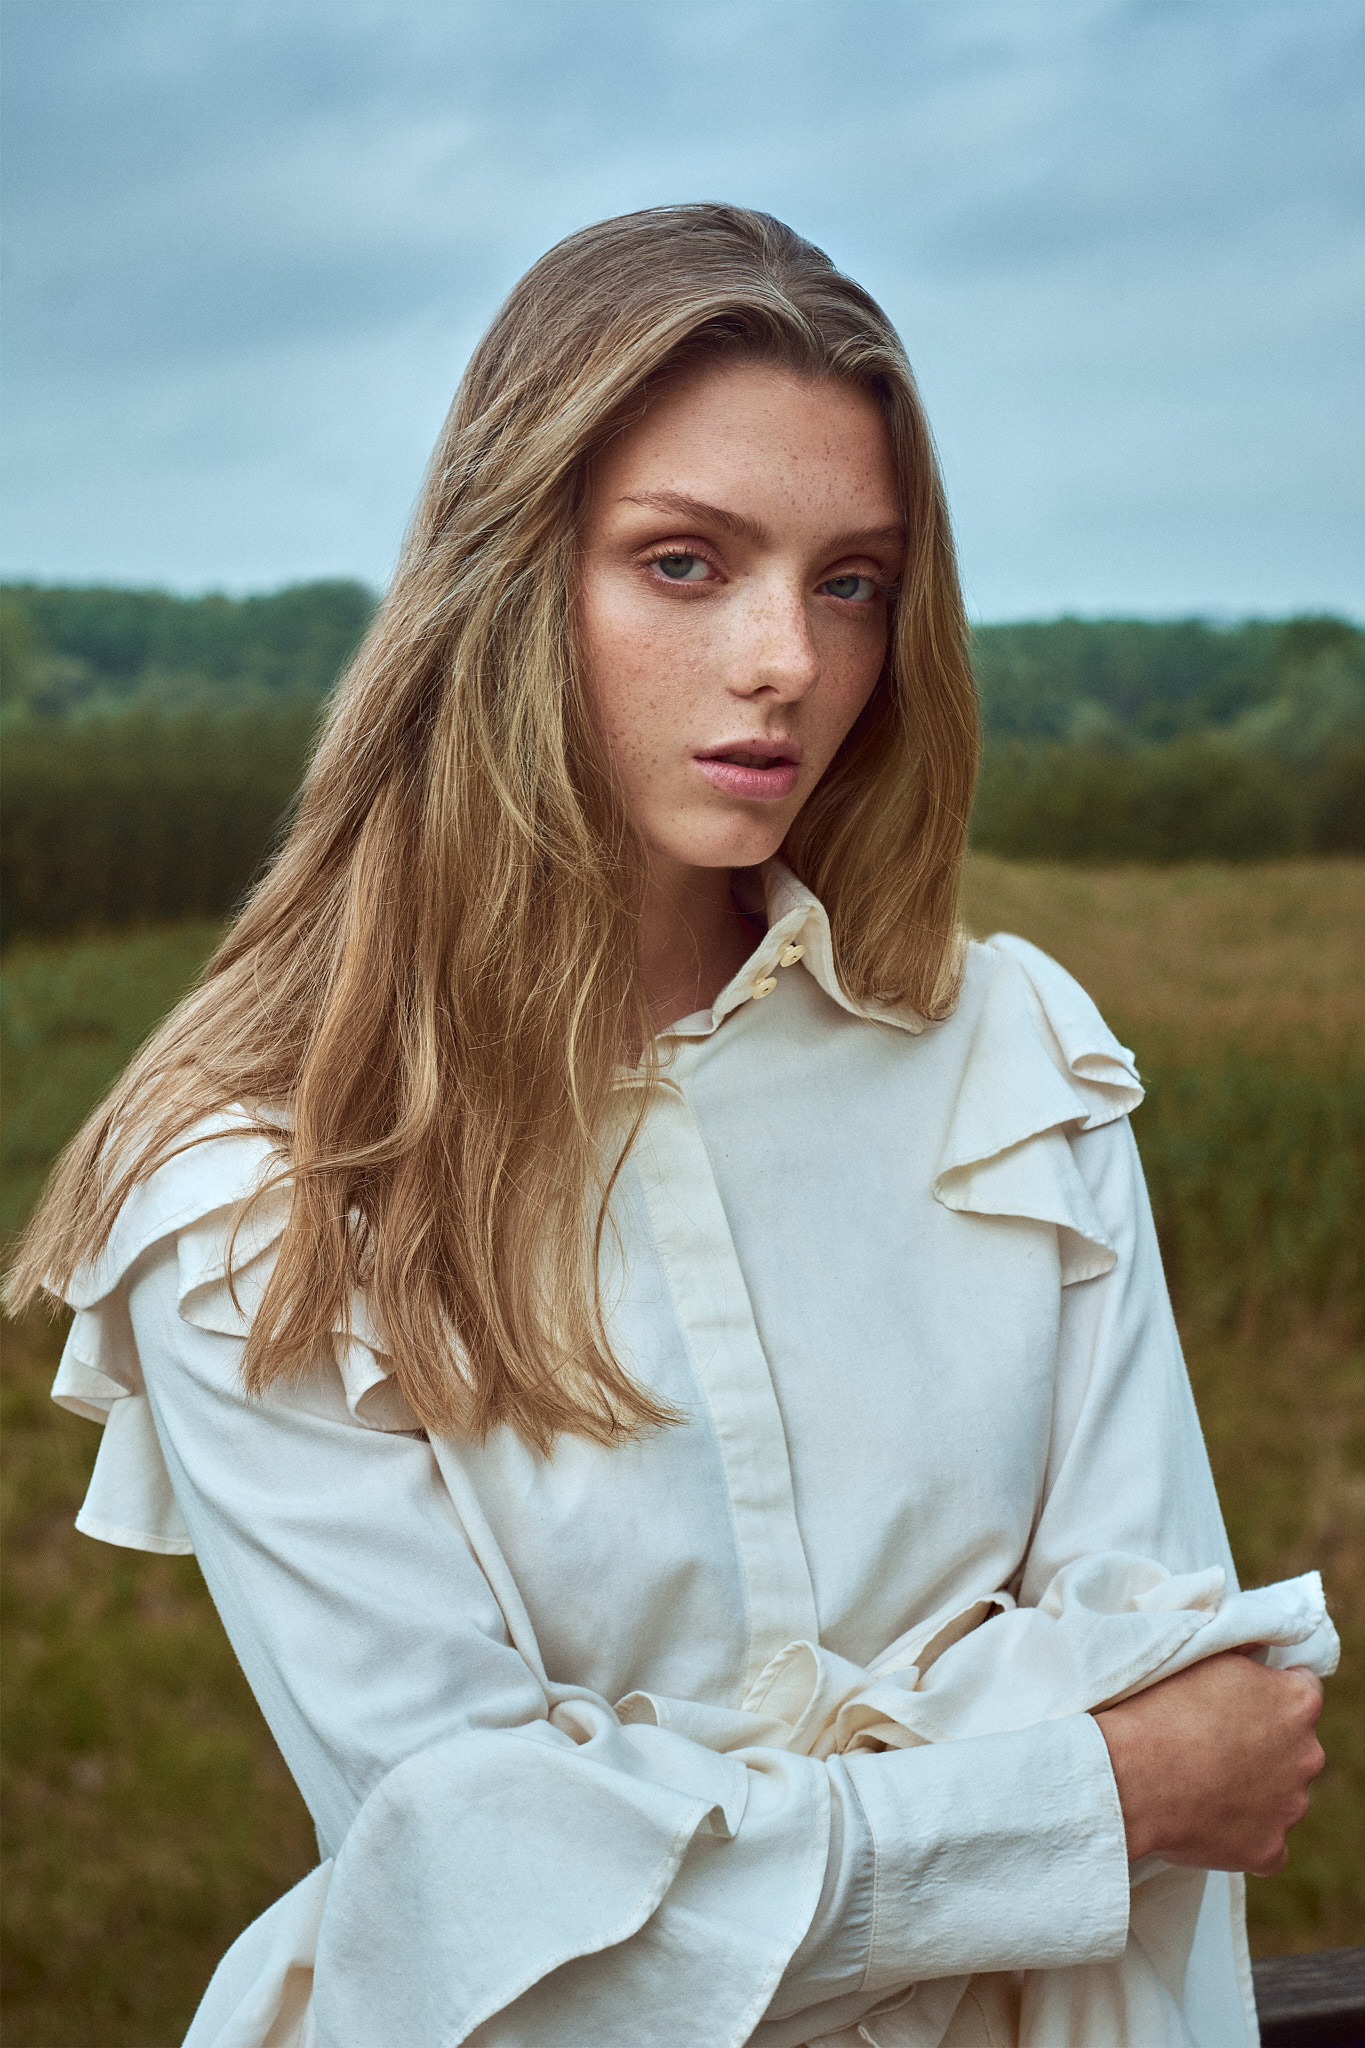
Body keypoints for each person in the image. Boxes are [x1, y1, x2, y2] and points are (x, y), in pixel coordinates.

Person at [9, 205, 1333, 2048]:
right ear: (510, 572)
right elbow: (497, 1921)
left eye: (851, 580)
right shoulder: (253, 1197)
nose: (786, 659)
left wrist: (668, 1825)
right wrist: (1073, 1797)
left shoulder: (1006, 1059)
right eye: (687, 564)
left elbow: (1194, 1714)